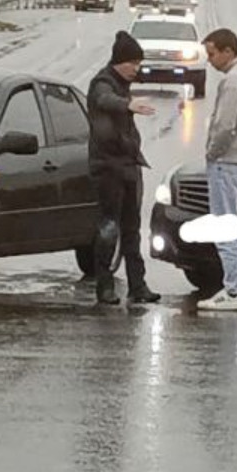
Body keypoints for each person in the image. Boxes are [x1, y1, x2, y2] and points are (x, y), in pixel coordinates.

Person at [88, 31, 161, 306]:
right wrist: (128, 105)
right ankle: (104, 287)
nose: (136, 69)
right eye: (132, 63)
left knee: (132, 229)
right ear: (119, 61)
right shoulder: (103, 83)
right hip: (107, 168)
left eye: (139, 64)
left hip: (129, 165)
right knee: (109, 228)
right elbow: (103, 101)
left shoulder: (122, 83)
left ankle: (137, 285)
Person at [198, 27, 237, 313]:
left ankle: (232, 290)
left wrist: (212, 152)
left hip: (228, 163)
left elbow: (225, 125)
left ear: (228, 51)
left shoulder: (233, 81)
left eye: (212, 53)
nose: (209, 60)